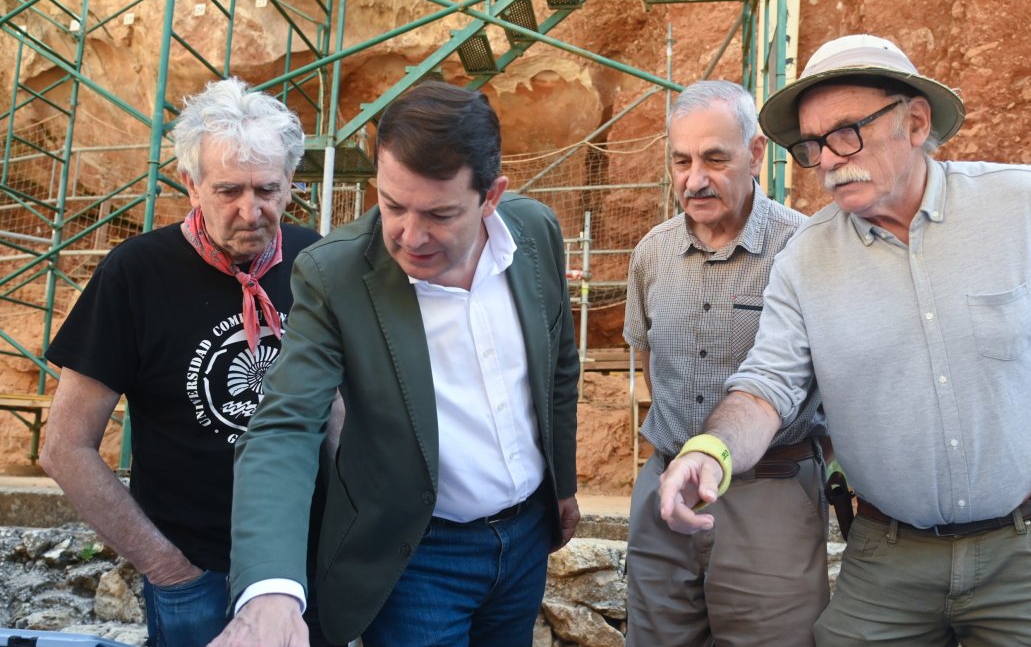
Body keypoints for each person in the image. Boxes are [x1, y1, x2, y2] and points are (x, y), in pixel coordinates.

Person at [658, 34, 1031, 645]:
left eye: (845, 132)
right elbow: (765, 388)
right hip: (887, 561)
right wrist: (711, 450)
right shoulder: (804, 259)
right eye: (812, 144)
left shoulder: (1028, 203)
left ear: (914, 123)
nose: (828, 159)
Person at [208, 80, 580, 647]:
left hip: (527, 539)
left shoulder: (535, 231)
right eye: (392, 205)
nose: (410, 235)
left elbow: (558, 368)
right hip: (417, 560)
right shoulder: (333, 276)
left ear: (492, 196)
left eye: (439, 214)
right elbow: (285, 426)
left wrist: (562, 484)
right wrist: (271, 590)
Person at [40, 78, 337, 647]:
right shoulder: (135, 275)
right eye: (228, 190)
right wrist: (169, 569)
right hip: (196, 574)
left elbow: (341, 405)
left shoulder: (315, 259)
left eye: (268, 190)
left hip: (308, 568)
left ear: (291, 184)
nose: (251, 211)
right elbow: (64, 448)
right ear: (190, 184)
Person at [622, 80, 826, 647]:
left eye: (715, 158)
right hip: (664, 492)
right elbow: (647, 361)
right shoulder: (651, 253)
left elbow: (837, 379)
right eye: (681, 161)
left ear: (756, 152)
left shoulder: (804, 248)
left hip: (771, 493)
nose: (695, 179)